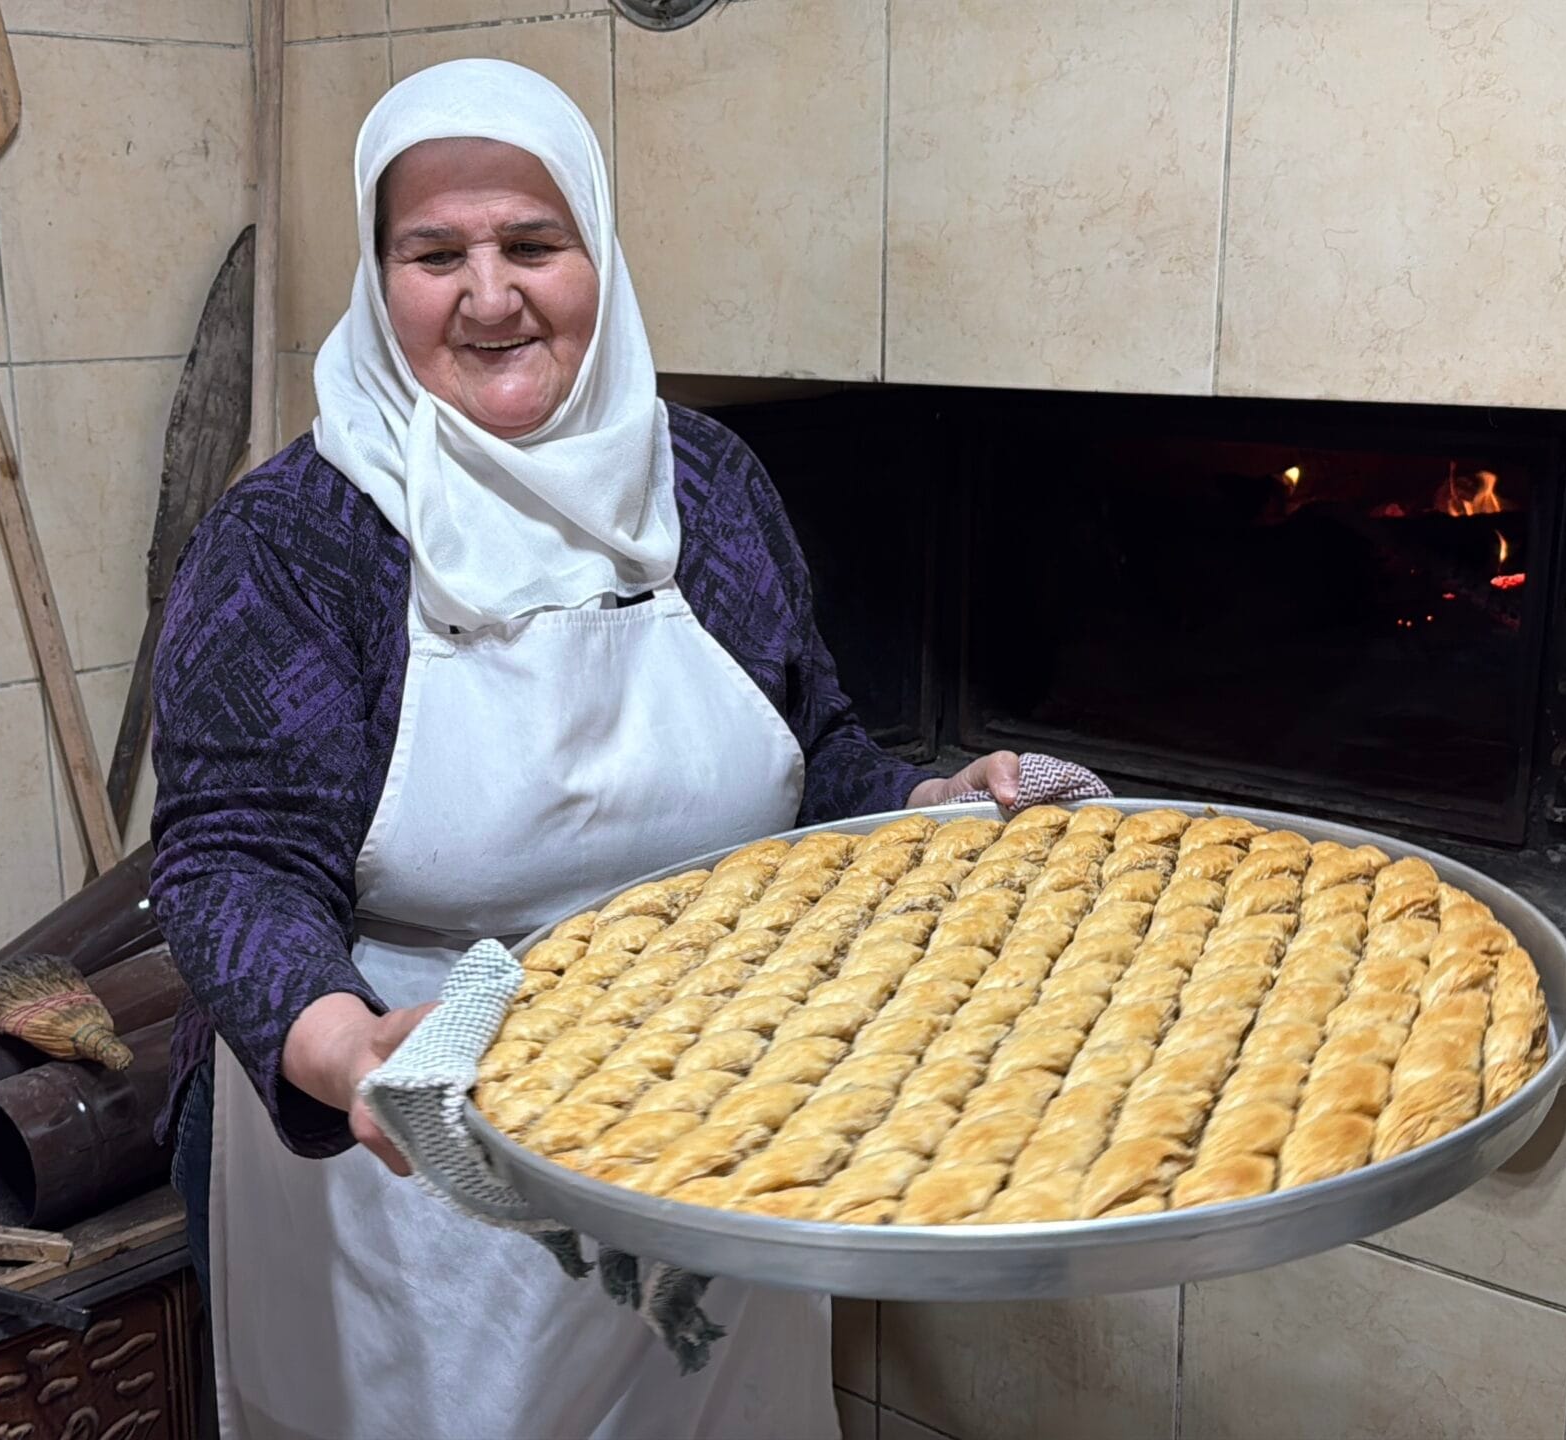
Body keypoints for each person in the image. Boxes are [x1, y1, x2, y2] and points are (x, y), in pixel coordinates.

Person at [148, 59, 1023, 1440]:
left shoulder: (707, 482)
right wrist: (349, 1047)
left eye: (532, 246)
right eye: (436, 254)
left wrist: (925, 800)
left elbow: (811, 754)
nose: (489, 296)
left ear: (597, 257)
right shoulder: (299, 536)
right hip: (426, 1165)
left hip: (715, 1130)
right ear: (381, 283)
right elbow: (229, 867)